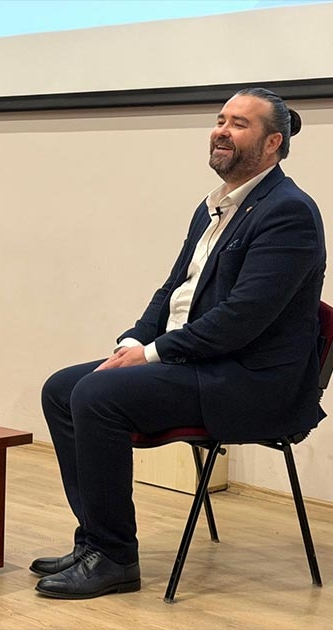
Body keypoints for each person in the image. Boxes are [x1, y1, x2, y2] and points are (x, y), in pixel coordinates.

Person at [34, 88, 325, 600]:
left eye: (239, 124)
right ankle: (95, 540)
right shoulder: (214, 207)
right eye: (221, 120)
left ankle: (115, 558)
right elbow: (173, 291)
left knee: (97, 395)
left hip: (249, 379)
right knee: (61, 389)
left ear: (273, 142)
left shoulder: (289, 212)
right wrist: (132, 340)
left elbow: (241, 320)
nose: (221, 131)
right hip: (201, 362)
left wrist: (150, 355)